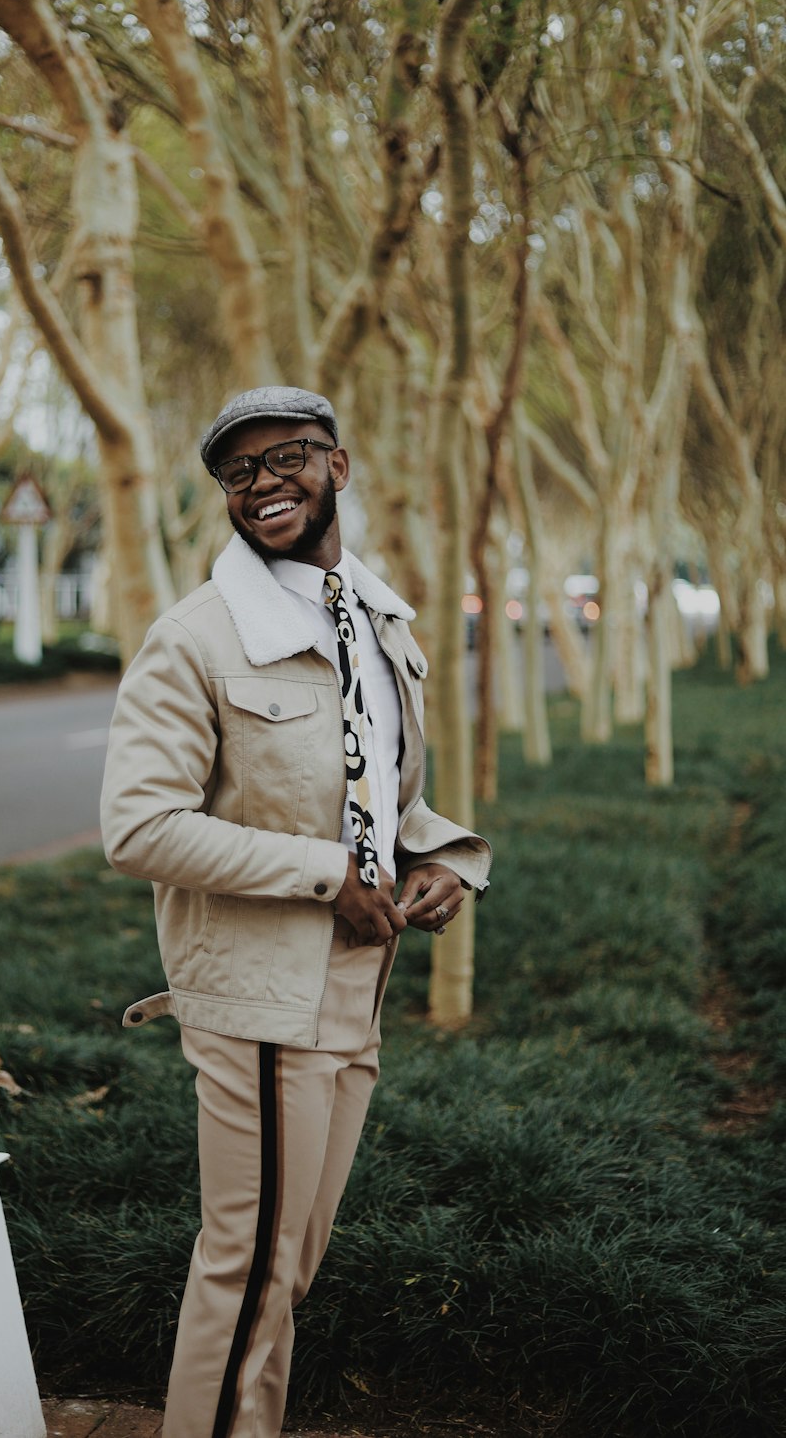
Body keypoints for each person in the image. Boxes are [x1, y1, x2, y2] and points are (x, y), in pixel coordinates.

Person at [100, 386, 492, 1438]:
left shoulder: (378, 619)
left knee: (290, 1266)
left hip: (355, 990)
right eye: (240, 472)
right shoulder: (198, 636)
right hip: (259, 1000)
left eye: (289, 459)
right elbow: (137, 827)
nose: (265, 484)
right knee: (248, 1268)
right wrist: (330, 873)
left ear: (339, 467)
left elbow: (383, 797)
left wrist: (445, 857)